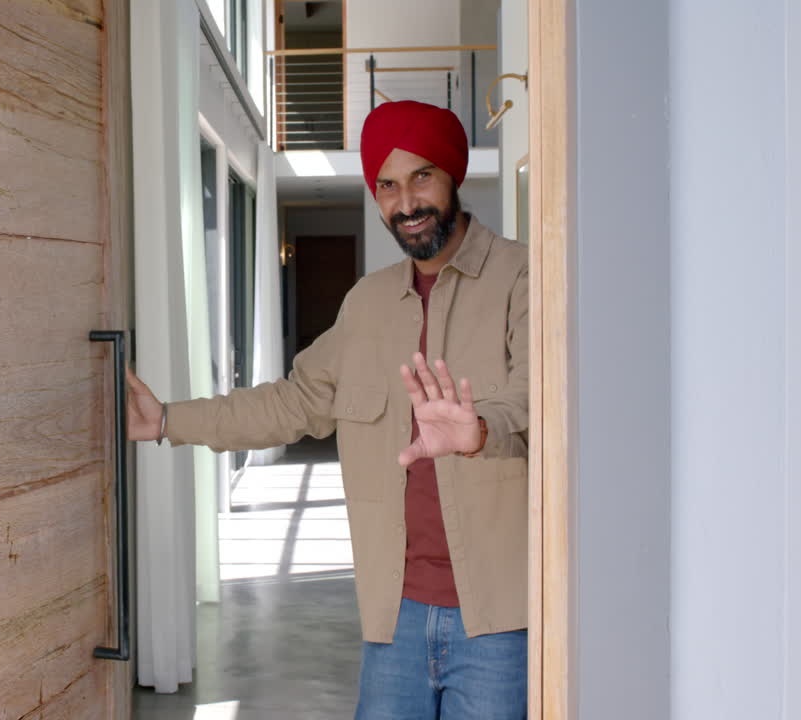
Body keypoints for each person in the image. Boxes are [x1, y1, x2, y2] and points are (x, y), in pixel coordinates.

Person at [126, 99, 529, 719]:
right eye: (388, 186)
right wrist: (168, 421)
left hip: (503, 619)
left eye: (422, 176)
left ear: (453, 176)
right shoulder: (366, 304)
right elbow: (294, 400)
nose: (407, 203)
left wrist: (477, 432)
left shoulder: (522, 277)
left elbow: (539, 405)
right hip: (393, 615)